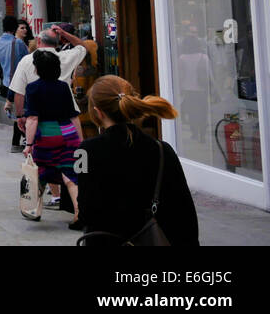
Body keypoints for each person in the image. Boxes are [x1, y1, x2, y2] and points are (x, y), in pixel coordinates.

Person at [75, 75, 198, 245]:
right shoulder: (162, 150)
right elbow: (183, 211)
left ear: (98, 112)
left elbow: (85, 212)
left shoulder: (84, 152)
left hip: (104, 240)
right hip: (151, 240)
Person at [22, 50, 83, 226]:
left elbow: (32, 119)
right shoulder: (63, 86)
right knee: (70, 174)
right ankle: (79, 212)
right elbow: (74, 115)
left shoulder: (33, 88)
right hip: (68, 135)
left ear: (37, 69)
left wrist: (29, 144)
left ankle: (34, 209)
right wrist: (81, 141)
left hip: (47, 137)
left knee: (39, 173)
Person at [0, 15, 29, 150]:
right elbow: (26, 61)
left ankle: (17, 142)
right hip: (19, 82)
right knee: (22, 111)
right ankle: (24, 141)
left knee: (16, 111)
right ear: (14, 28)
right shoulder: (18, 43)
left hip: (6, 81)